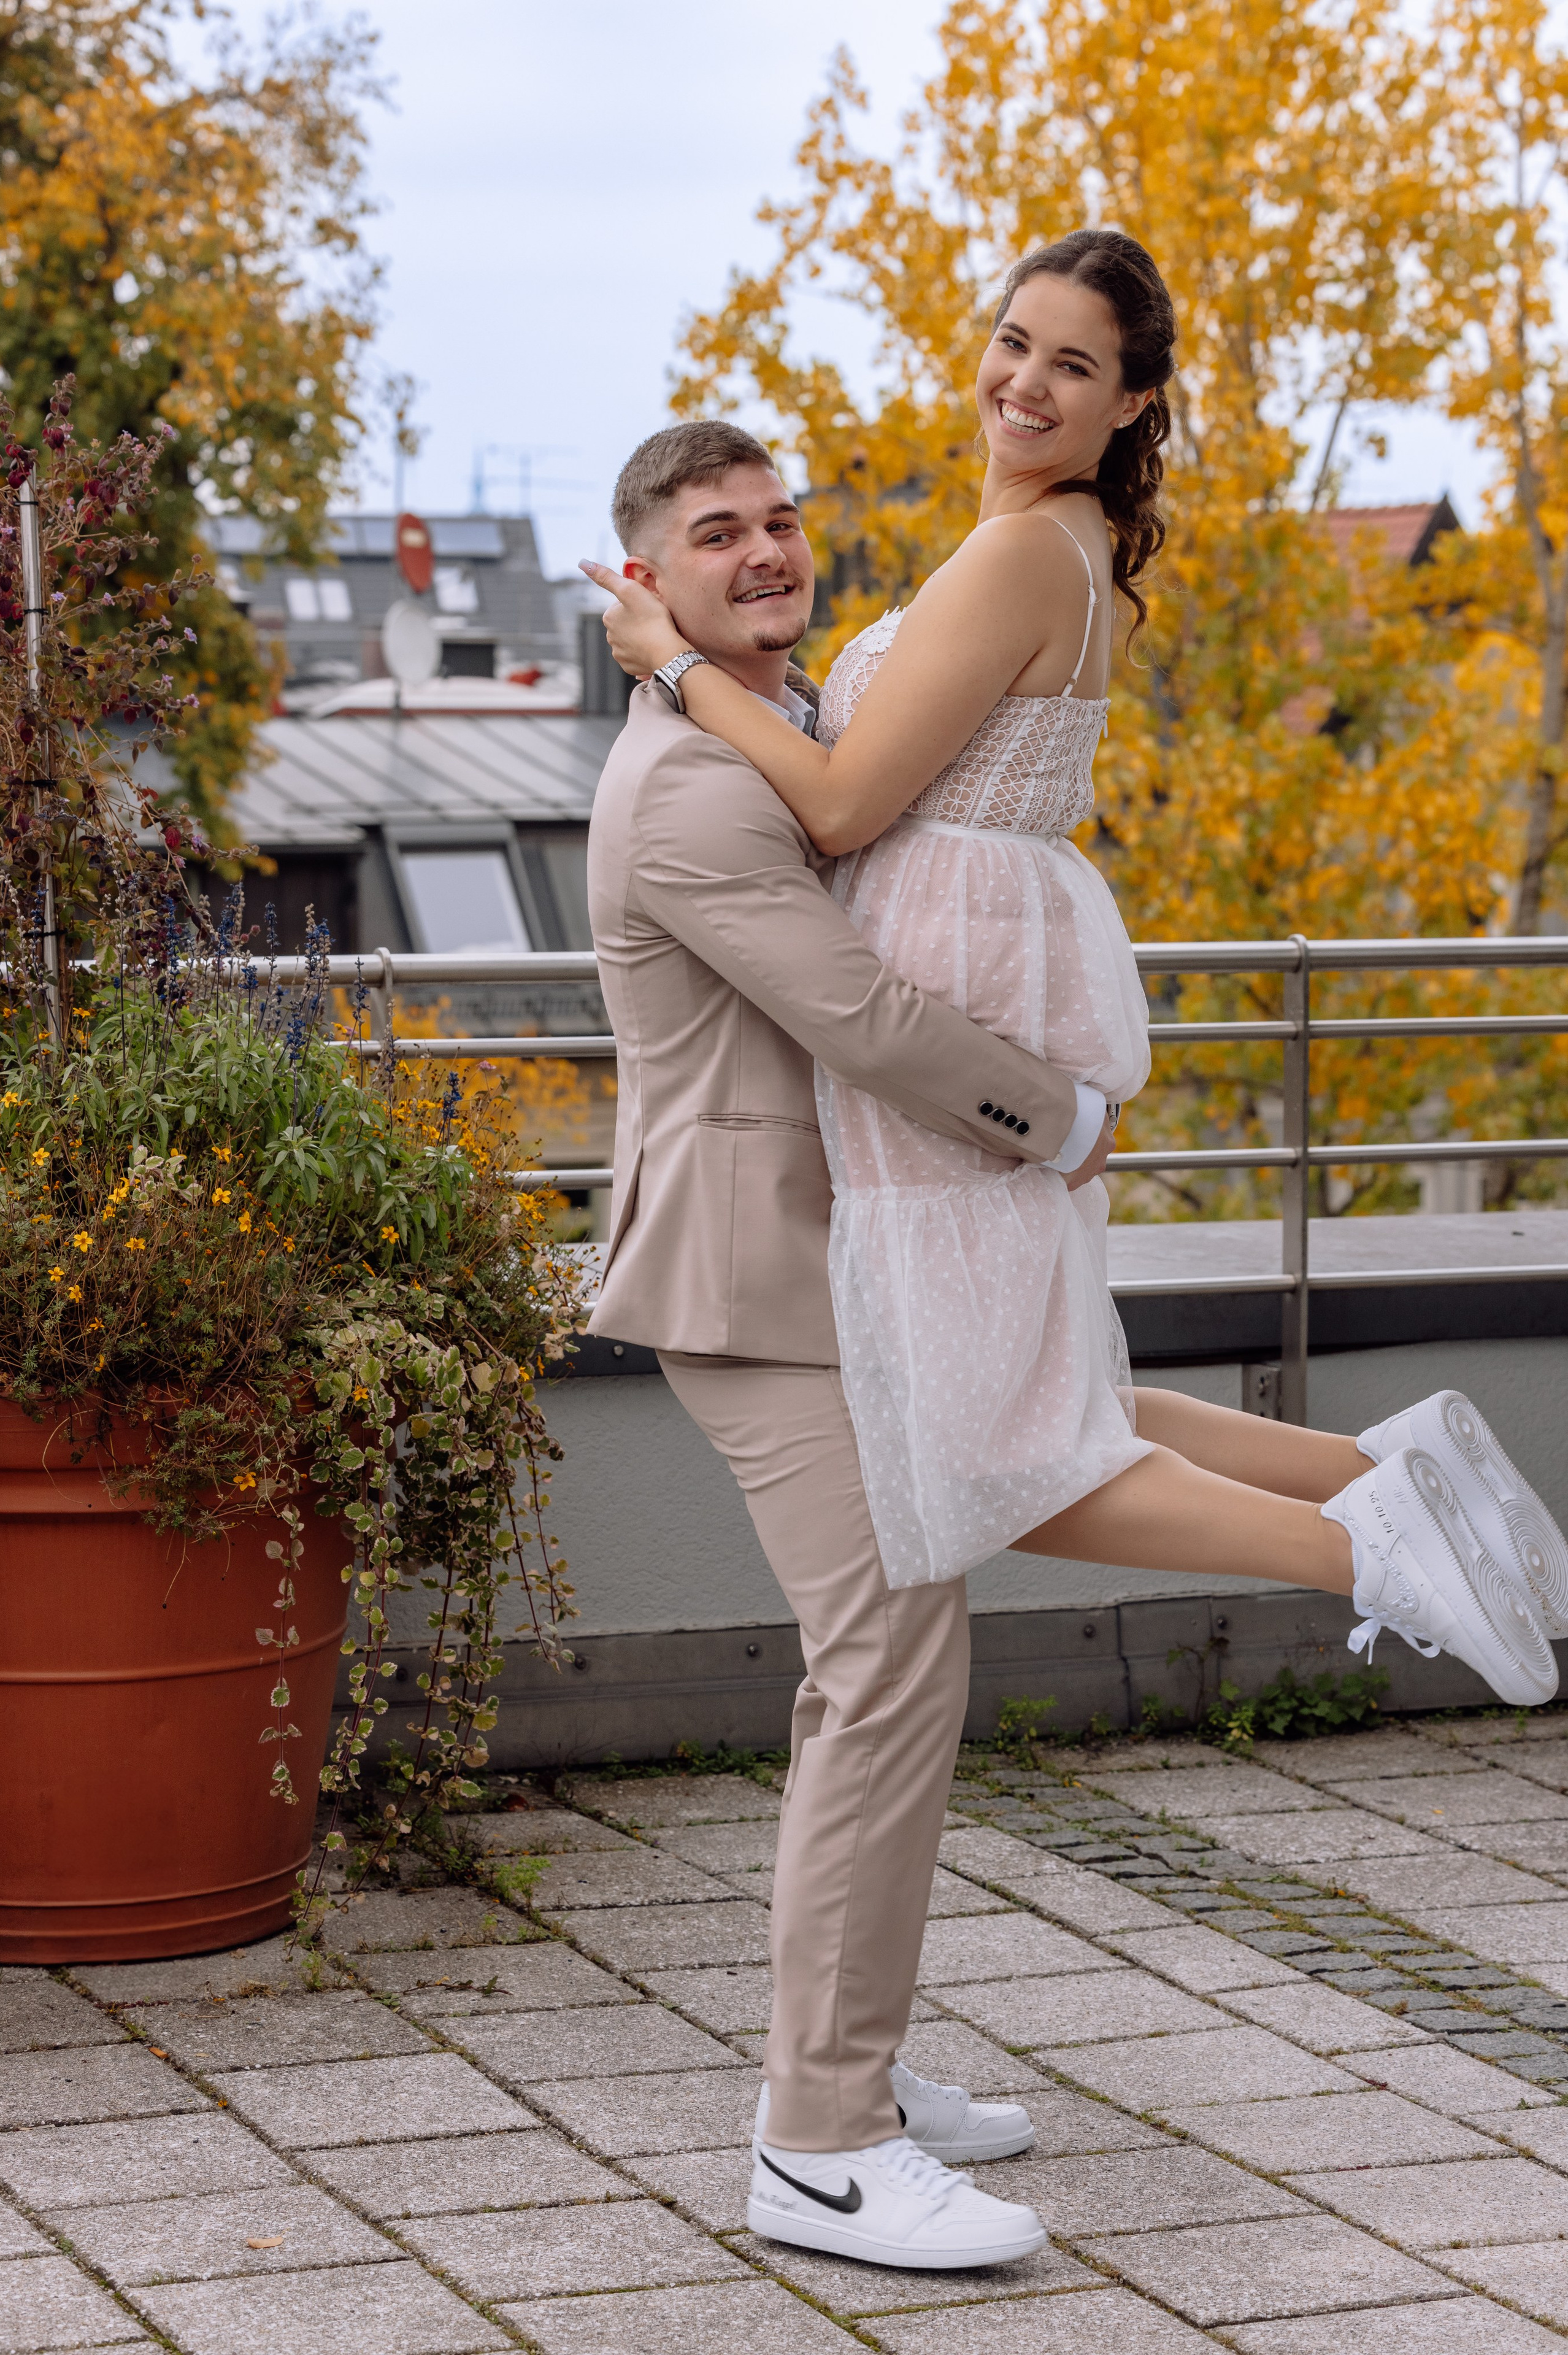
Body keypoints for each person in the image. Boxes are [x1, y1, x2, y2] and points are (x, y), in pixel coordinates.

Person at [586, 237, 1568, 1809]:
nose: (1021, 383)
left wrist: (673, 670)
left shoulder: (1018, 554)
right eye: (1011, 341)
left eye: (1069, 364)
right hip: (989, 977)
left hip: (951, 1019)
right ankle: (1397, 1477)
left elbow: (838, 801)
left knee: (1004, 1454)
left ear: (1130, 403)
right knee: (1051, 1405)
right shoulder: (1048, 543)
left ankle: (1361, 1537)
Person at [583, 415, 1102, 2272]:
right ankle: (816, 2141)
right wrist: (1065, 1117)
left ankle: (857, 2076)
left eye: (781, 520)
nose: (767, 551)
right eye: (718, 535)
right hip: (749, 1275)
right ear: (648, 579)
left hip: (820, 1258)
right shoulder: (699, 793)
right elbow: (865, 1017)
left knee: (896, 1662)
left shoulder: (762, 745)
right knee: (882, 1667)